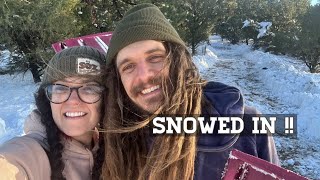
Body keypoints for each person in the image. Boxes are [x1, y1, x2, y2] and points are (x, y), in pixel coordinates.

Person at [101, 3, 279, 180]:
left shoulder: (247, 127)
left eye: (155, 58)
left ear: (179, 61)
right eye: (128, 66)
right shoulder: (116, 141)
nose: (144, 76)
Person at [0, 46, 106, 180]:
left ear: (106, 98)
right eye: (60, 88)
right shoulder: (29, 153)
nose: (73, 101)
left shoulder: (113, 145)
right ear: (47, 99)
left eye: (90, 88)